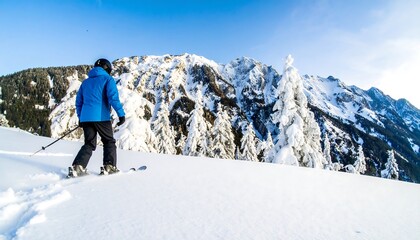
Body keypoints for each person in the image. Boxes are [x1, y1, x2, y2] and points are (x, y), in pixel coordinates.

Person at [68, 58, 126, 177]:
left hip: (86, 118)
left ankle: (77, 167)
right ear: (107, 68)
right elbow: (113, 98)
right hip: (101, 117)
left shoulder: (85, 82)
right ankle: (109, 166)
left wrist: (81, 117)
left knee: (89, 143)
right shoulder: (107, 79)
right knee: (108, 141)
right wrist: (121, 115)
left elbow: (79, 102)